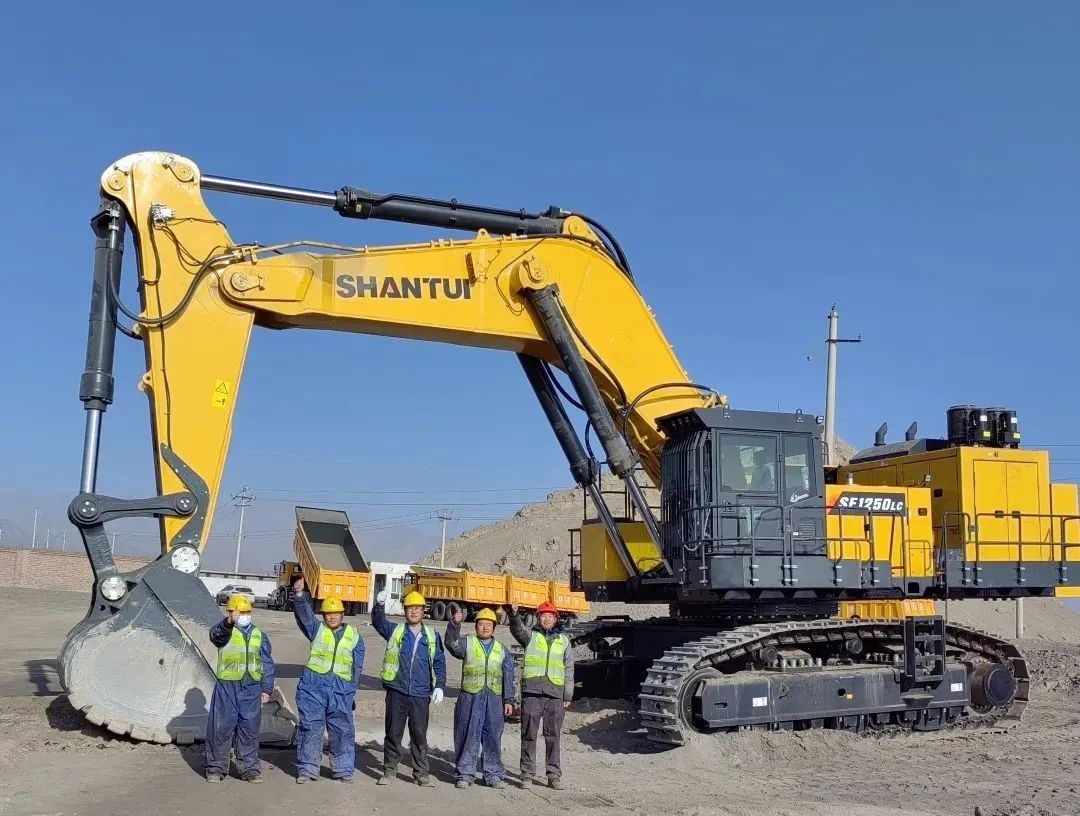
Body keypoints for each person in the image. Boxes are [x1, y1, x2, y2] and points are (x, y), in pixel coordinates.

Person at [291, 576, 365, 784]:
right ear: (323, 615)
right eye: (328, 614)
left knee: (342, 730)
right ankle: (307, 769)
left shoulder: (355, 636)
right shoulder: (317, 630)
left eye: (336, 613)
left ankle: (343, 770)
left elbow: (357, 667)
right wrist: (299, 595)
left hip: (341, 690)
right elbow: (305, 615)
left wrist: (350, 690)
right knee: (311, 728)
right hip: (313, 688)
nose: (332, 617)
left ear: (342, 614)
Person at [372, 588, 446, 786]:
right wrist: (379, 606)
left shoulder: (432, 636)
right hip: (397, 691)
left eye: (417, 608)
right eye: (410, 608)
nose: (413, 611)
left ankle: (421, 773)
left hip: (420, 694)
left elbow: (439, 662)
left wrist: (439, 685)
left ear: (423, 611)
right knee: (393, 733)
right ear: (404, 611)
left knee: (419, 735)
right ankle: (389, 770)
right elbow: (378, 623)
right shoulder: (395, 631)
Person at [205, 594, 275, 783]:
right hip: (227, 687)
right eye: (238, 612)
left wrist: (266, 689)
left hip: (251, 687)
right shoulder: (224, 631)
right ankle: (215, 769)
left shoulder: (259, 634)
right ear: (229, 612)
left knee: (249, 729)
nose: (242, 615)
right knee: (221, 728)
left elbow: (267, 663)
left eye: (245, 612)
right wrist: (228, 622)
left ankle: (250, 770)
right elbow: (215, 636)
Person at [444, 607, 515, 789]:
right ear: (476, 626)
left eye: (488, 624)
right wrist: (454, 625)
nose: (484, 627)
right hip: (470, 697)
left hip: (494, 699)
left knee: (493, 737)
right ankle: (464, 774)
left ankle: (493, 774)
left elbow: (509, 676)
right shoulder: (467, 643)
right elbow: (451, 643)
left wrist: (508, 700)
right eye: (481, 624)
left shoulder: (502, 650)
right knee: (467, 734)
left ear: (494, 627)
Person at [509, 600, 573, 790]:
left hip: (555, 694)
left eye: (550, 616)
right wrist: (514, 615)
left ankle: (553, 775)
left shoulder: (564, 641)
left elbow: (569, 669)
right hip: (532, 692)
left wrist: (568, 695)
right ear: (538, 618)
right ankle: (527, 775)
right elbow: (517, 630)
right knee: (528, 734)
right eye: (543, 615)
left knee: (553, 736)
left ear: (555, 618)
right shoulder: (530, 636)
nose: (546, 619)